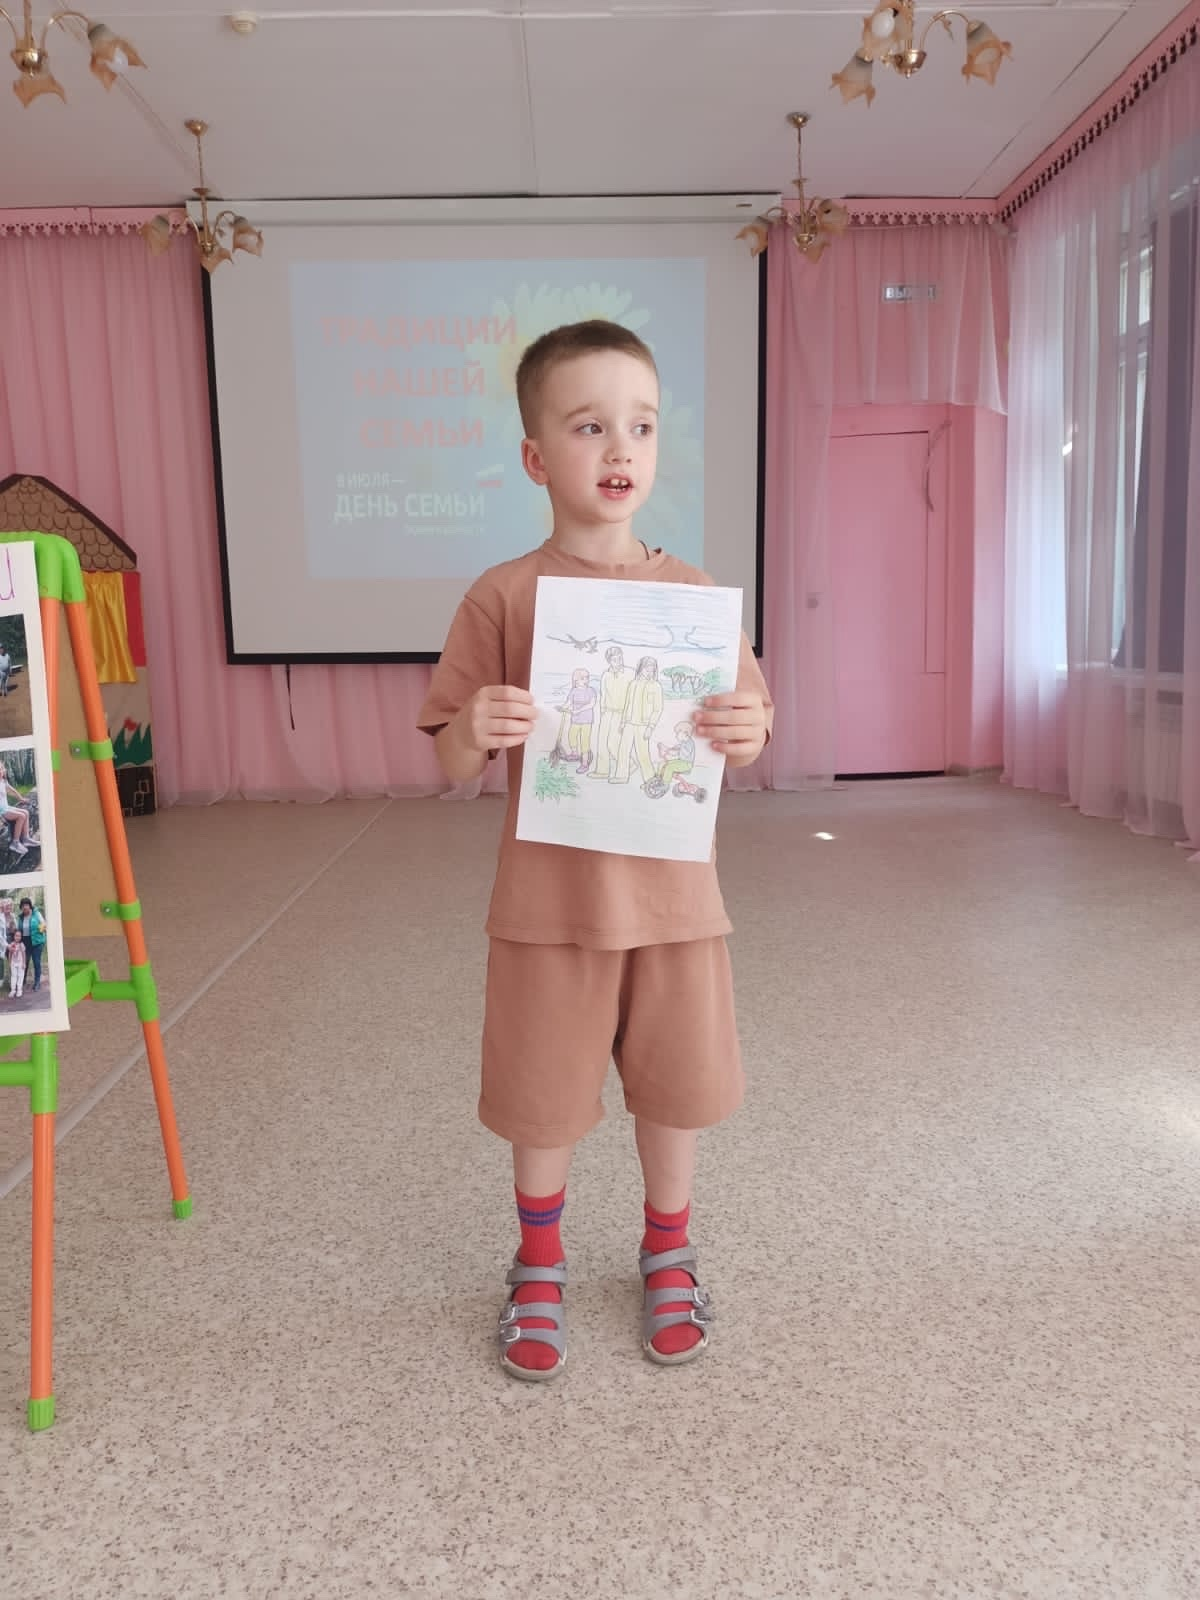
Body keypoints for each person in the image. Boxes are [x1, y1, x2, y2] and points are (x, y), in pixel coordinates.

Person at [416, 319, 771, 1382]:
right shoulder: (503, 595)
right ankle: (537, 1261)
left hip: (676, 907)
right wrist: (473, 724)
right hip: (548, 907)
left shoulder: (696, 598)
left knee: (676, 1087)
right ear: (535, 457)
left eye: (642, 426)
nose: (620, 448)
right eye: (589, 427)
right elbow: (449, 757)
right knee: (543, 1094)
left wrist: (748, 730)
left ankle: (669, 1249)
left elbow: (751, 726)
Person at [593, 646, 633, 779]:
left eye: (620, 658)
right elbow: (603, 694)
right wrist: (602, 710)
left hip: (621, 713)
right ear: (609, 661)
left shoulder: (630, 673)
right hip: (607, 712)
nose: (618, 661)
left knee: (613, 743)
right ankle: (602, 771)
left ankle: (630, 764)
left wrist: (628, 715)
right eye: (615, 659)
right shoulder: (606, 675)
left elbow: (633, 696)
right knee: (602, 742)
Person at [562, 667, 597, 771]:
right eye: (583, 678)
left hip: (586, 721)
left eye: (587, 678)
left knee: (584, 741)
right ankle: (574, 754)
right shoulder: (574, 691)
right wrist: (563, 707)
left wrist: (579, 710)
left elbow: (592, 704)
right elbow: (569, 702)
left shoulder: (591, 690)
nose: (586, 680)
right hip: (575, 719)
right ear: (576, 680)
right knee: (571, 736)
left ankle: (585, 763)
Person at [0, 762, 38, 856]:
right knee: (21, 816)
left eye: (1, 769)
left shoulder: (3, 782)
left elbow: (12, 791)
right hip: (2, 811)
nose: (1, 771)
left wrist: (21, 799)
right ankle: (15, 843)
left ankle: (26, 839)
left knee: (26, 812)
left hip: (6, 807)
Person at [19, 897, 46, 993]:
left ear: (30, 906)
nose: (25, 907)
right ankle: (22, 981)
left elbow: (44, 924)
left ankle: (37, 982)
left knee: (36, 962)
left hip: (36, 942)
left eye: (26, 905)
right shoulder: (21, 917)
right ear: (21, 907)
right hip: (25, 942)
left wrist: (40, 932)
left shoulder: (36, 914)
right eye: (23, 905)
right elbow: (19, 929)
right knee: (24, 961)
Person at [7, 920, 26, 999]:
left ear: (21, 937)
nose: (17, 937)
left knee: (20, 976)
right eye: (16, 936)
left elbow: (24, 954)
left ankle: (19, 990)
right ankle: (13, 990)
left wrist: (24, 963)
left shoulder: (22, 945)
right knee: (13, 976)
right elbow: (10, 954)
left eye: (19, 936)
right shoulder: (12, 944)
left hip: (20, 963)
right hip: (13, 963)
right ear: (13, 936)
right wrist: (9, 962)